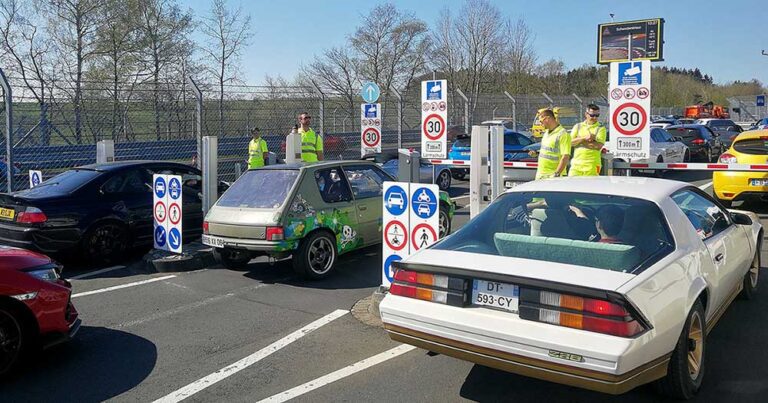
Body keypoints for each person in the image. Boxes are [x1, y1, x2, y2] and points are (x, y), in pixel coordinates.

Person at [569, 104, 607, 177]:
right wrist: (584, 138)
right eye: (592, 115)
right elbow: (570, 143)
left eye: (597, 115)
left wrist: (579, 141)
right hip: (576, 165)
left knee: (590, 187)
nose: (595, 117)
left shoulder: (601, 128)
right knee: (572, 186)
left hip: (592, 165)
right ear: (586, 114)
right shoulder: (578, 126)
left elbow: (598, 146)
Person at [534, 109, 571, 180]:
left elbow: (565, 157)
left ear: (548, 119)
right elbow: (549, 152)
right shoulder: (546, 133)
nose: (541, 125)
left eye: (541, 122)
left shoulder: (563, 134)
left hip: (553, 176)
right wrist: (536, 154)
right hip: (541, 174)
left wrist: (557, 174)